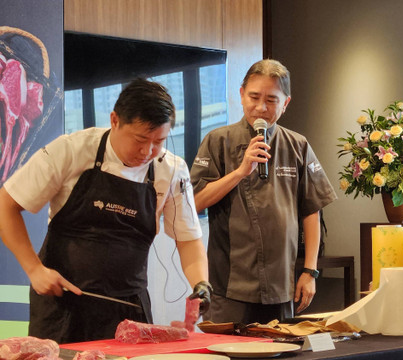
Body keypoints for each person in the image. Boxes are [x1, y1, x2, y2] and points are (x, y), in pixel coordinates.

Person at [0, 79, 212, 343]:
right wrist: (33, 269)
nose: (148, 151)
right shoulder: (71, 150)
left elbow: (188, 239)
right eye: (140, 139)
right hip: (62, 307)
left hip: (130, 310)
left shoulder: (171, 170)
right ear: (114, 120)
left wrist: (201, 285)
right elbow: (6, 204)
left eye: (159, 141)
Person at [190, 59, 337, 324]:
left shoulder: (298, 145)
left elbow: (312, 210)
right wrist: (239, 172)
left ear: (285, 103)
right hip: (229, 286)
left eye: (271, 100)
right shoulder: (217, 140)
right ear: (241, 94)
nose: (261, 108)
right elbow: (195, 203)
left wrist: (310, 271)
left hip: (283, 285)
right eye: (254, 97)